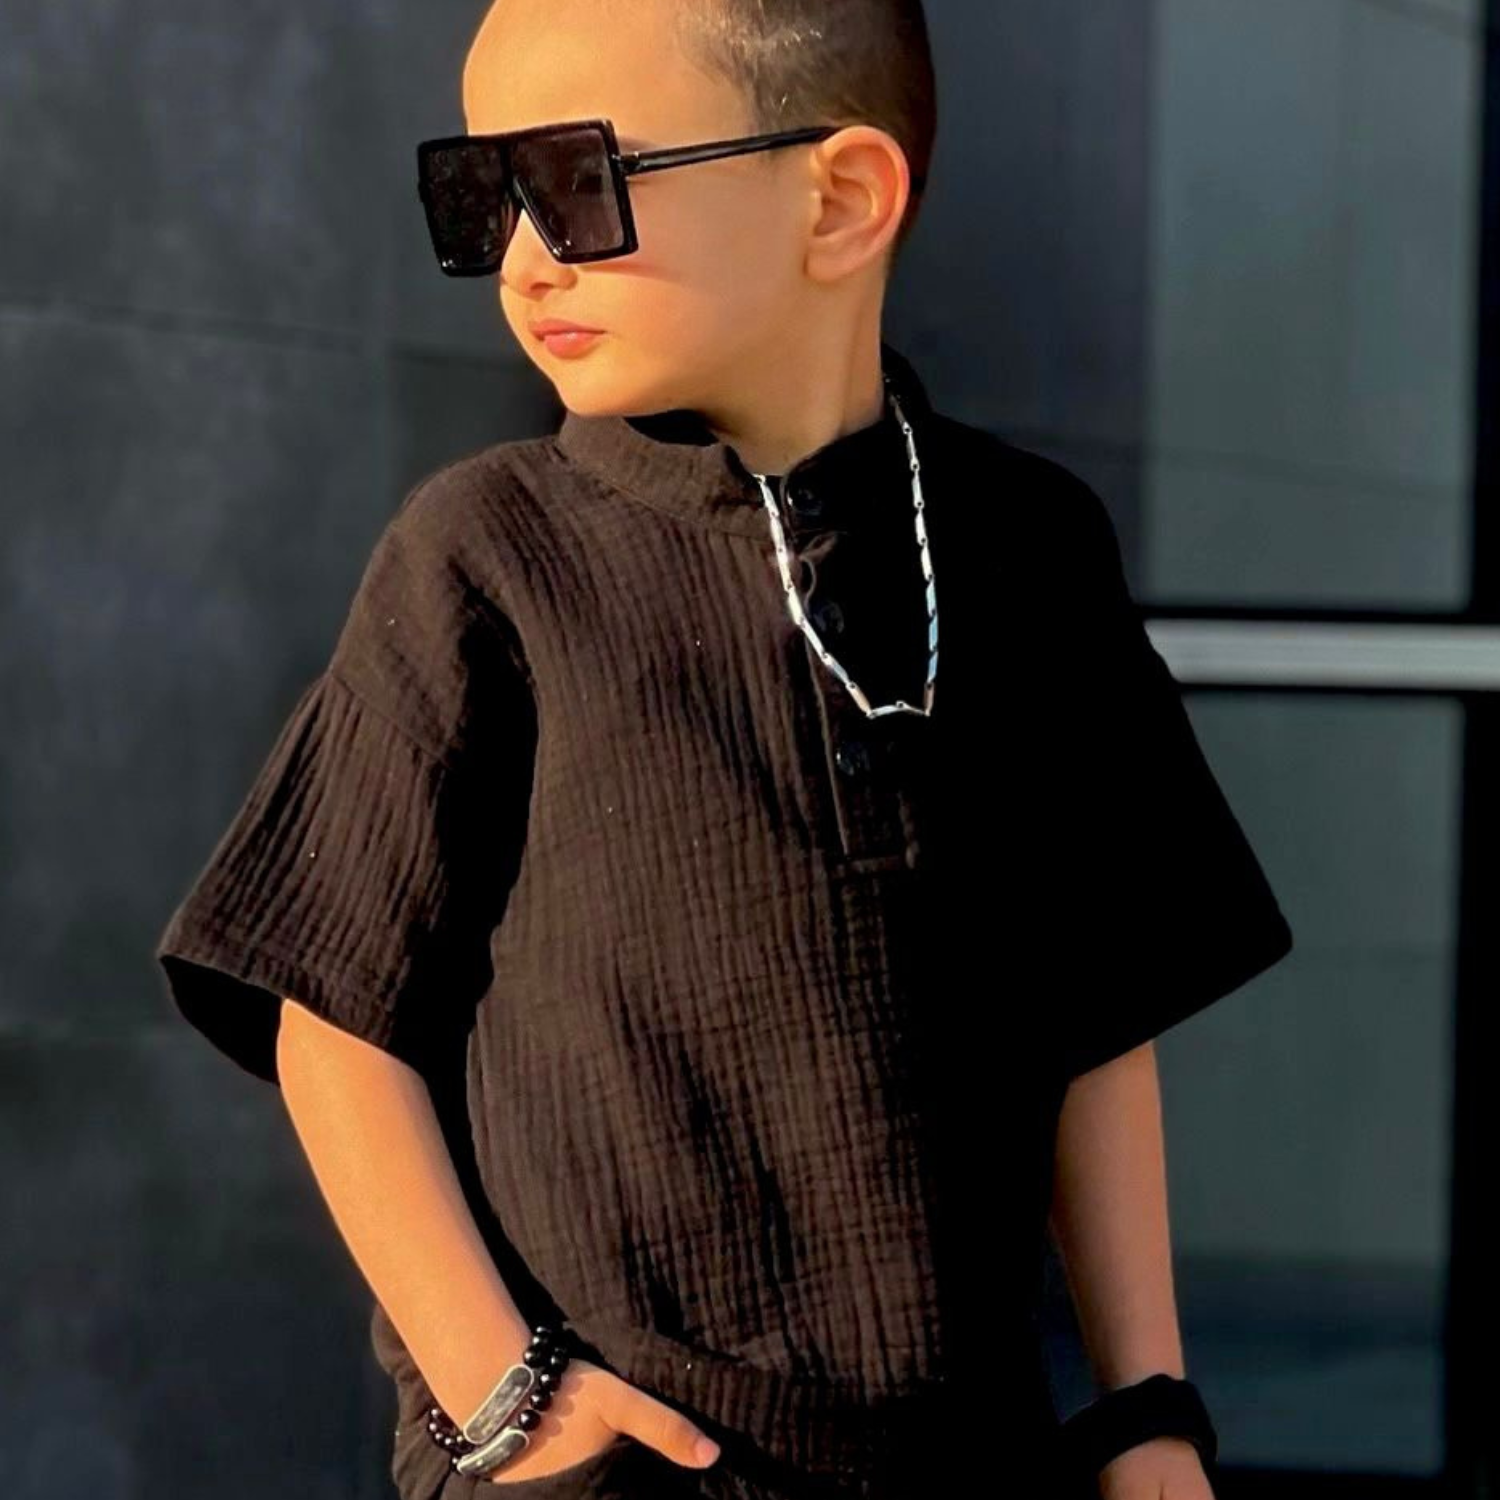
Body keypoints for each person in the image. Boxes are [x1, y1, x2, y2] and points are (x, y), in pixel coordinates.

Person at [153, 1, 1294, 1496]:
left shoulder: (1029, 548)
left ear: (841, 201)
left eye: (576, 182)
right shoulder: (485, 558)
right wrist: (508, 1406)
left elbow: (1098, 1012)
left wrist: (1146, 1411)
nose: (522, 258)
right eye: (480, 192)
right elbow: (333, 1020)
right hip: (618, 1467)